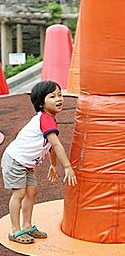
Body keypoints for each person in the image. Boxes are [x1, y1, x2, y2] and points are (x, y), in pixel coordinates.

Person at [1, 80, 77, 244]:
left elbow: (50, 147)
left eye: (60, 95)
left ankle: (27, 226)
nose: (59, 99)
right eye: (52, 96)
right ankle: (15, 231)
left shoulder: (49, 120)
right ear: (41, 103)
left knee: (32, 192)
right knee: (19, 193)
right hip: (15, 160)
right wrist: (67, 167)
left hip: (26, 164)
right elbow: (56, 144)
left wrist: (52, 165)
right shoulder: (45, 119)